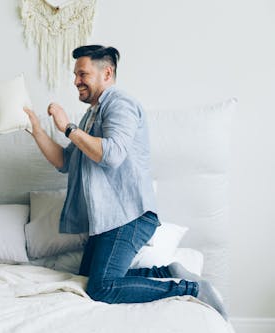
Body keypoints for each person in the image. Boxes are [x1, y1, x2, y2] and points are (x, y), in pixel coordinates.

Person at [24, 45, 227, 319]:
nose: (75, 81)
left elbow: (113, 154)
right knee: (87, 279)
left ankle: (190, 289)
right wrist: (37, 130)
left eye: (82, 74)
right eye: (75, 75)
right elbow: (64, 161)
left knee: (101, 288)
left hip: (129, 216)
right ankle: (165, 273)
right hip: (107, 220)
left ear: (106, 73)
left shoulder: (121, 104)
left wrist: (68, 128)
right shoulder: (92, 114)